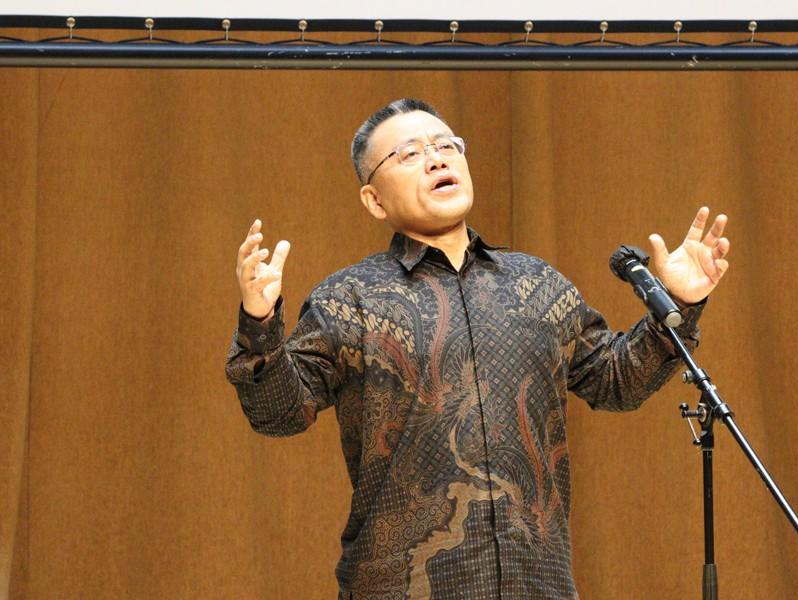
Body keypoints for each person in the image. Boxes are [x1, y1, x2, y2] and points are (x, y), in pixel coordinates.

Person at [225, 98, 730, 600]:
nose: (436, 159)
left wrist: (682, 304)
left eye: (446, 146)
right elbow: (279, 414)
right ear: (374, 200)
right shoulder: (350, 298)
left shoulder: (537, 285)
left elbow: (616, 381)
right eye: (409, 154)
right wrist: (260, 323)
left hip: (538, 584)